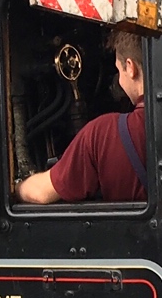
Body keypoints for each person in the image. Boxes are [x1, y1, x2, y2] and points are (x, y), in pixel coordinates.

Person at [16, 28, 149, 204]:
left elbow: (41, 193)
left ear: (130, 68)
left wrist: (18, 187)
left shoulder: (103, 133)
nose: (119, 80)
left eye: (119, 70)